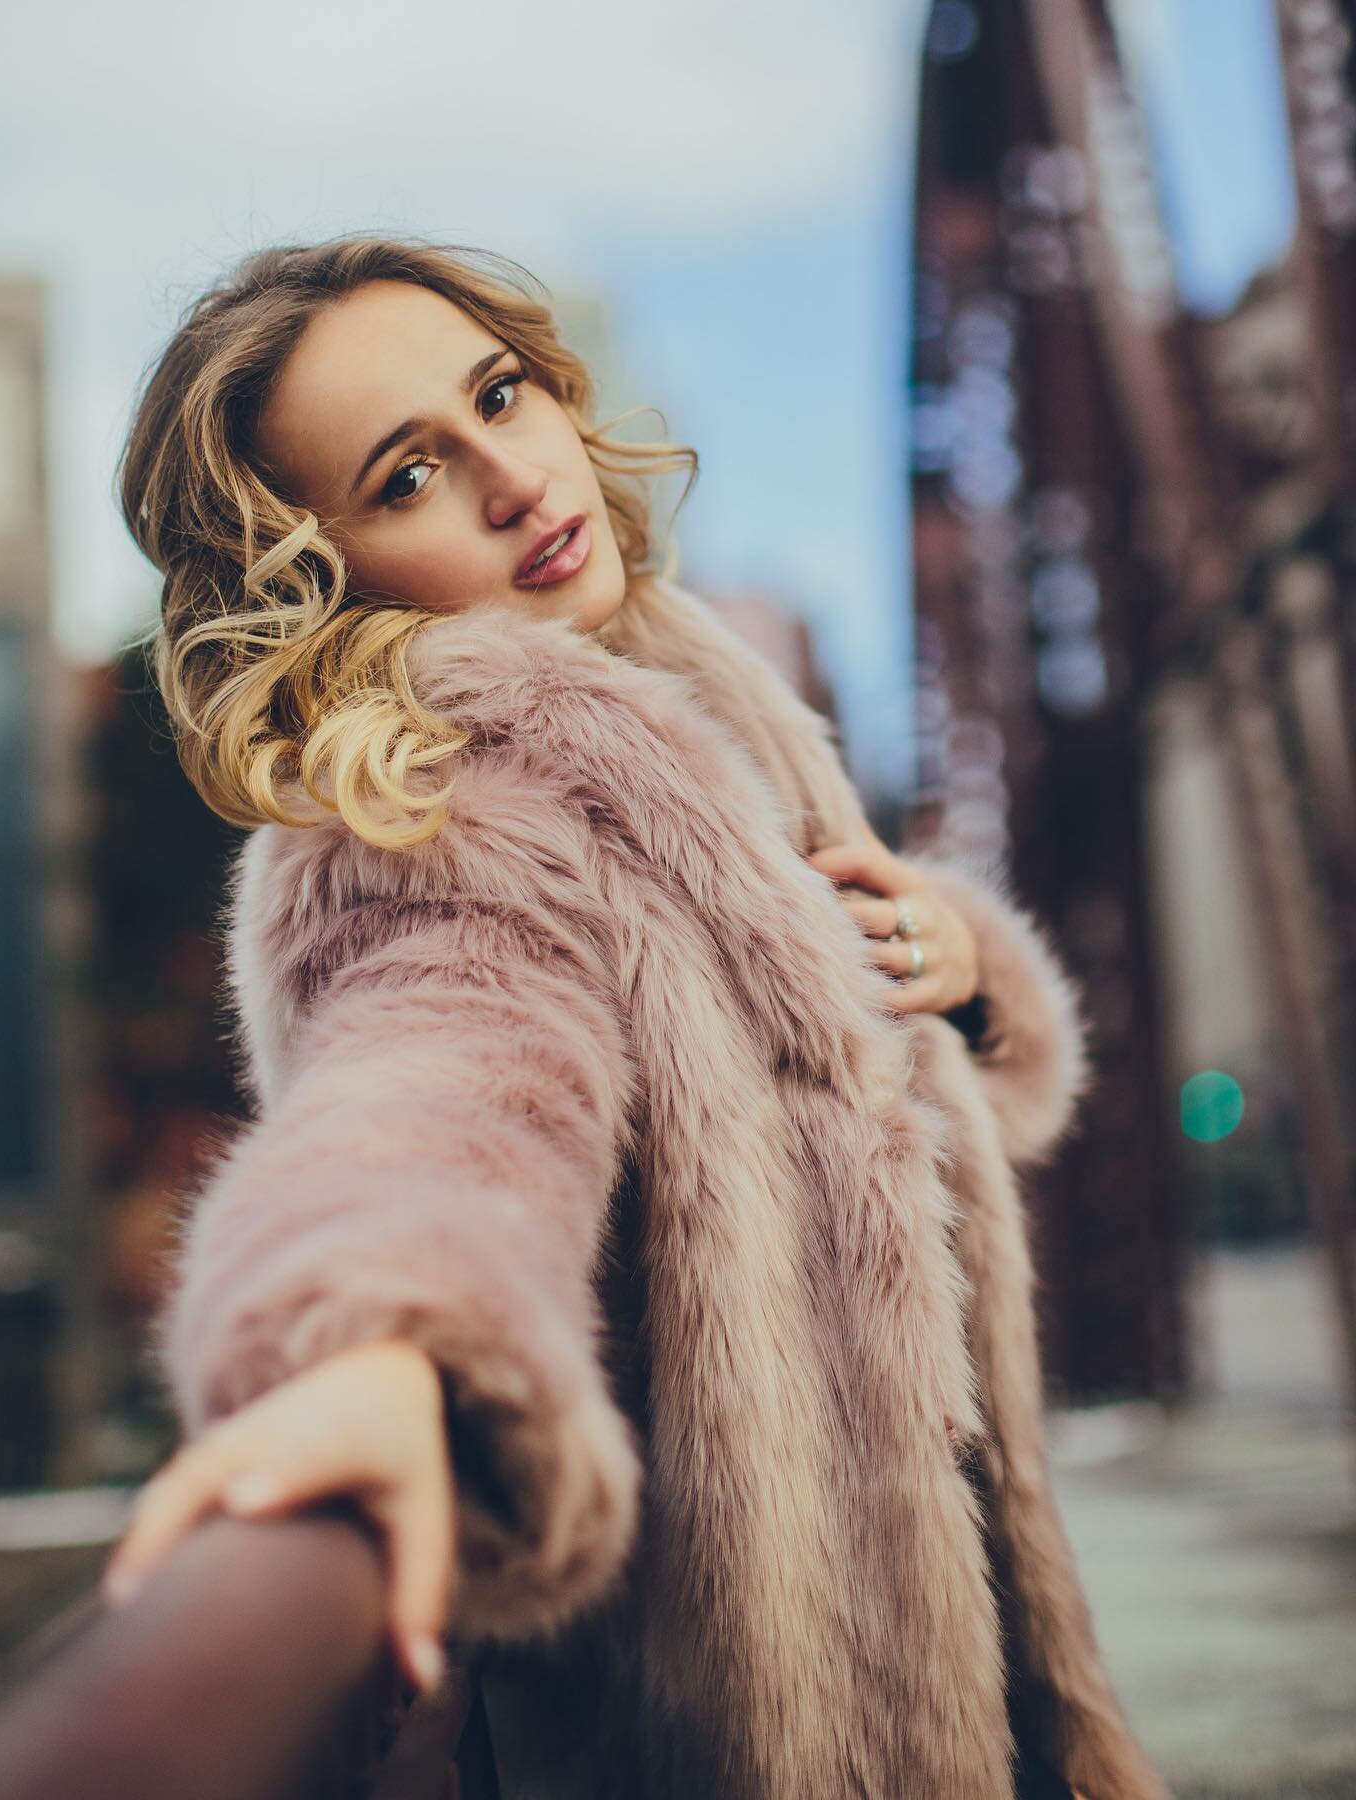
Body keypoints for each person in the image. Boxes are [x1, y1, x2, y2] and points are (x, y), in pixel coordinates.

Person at [101, 235, 1164, 1799]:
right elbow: (439, 1102)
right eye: (407, 478)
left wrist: (960, 965)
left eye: (502, 397)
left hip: (946, 1639)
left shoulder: (694, 694)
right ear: (316, 581)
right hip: (742, 1717)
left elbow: (846, 1101)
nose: (519, 480)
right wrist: (374, 1340)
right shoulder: (434, 820)